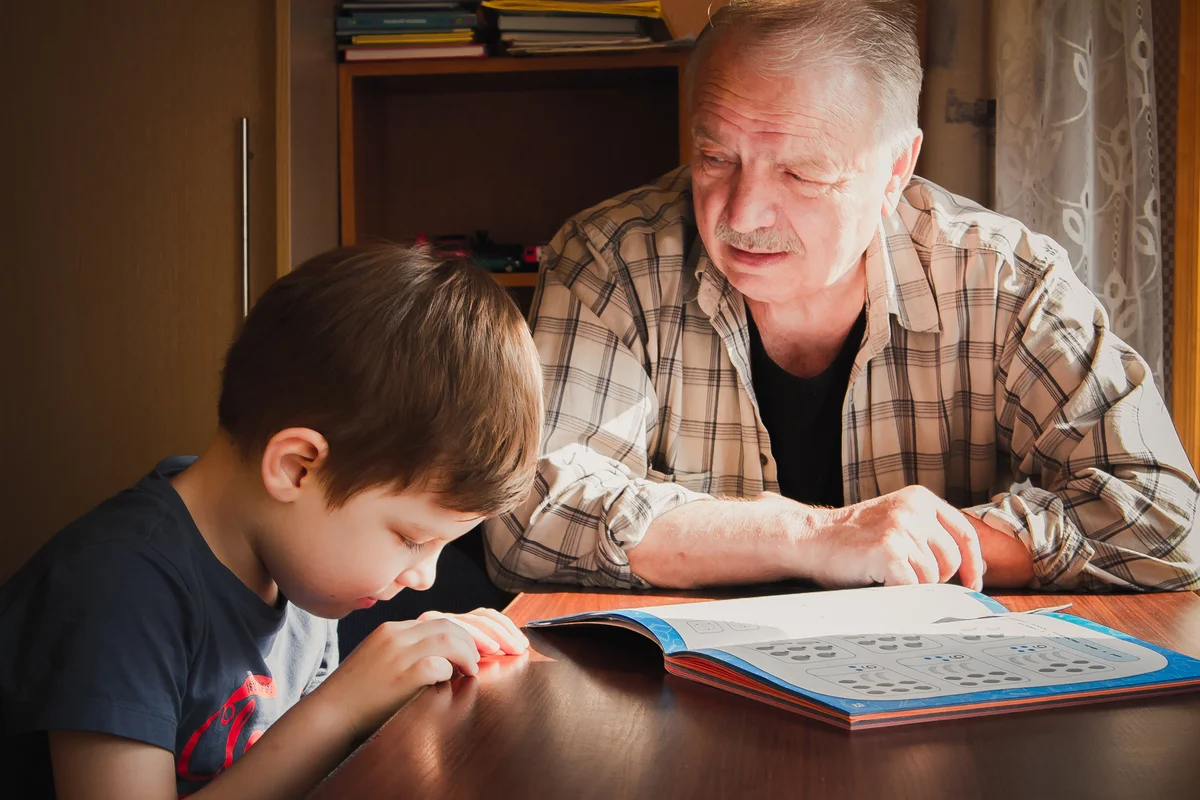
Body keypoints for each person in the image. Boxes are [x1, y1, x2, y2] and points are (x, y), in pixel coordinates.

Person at [485, 0, 1198, 594]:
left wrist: (915, 547)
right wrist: (817, 537)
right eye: (715, 157)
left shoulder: (1006, 277)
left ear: (897, 169)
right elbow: (526, 513)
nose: (744, 211)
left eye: (801, 171)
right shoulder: (611, 260)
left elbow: (1166, 517)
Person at [0, 244, 544, 798]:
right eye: (410, 539)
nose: (424, 577)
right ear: (296, 468)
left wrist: (401, 682)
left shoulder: (299, 566)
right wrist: (342, 708)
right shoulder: (117, 589)